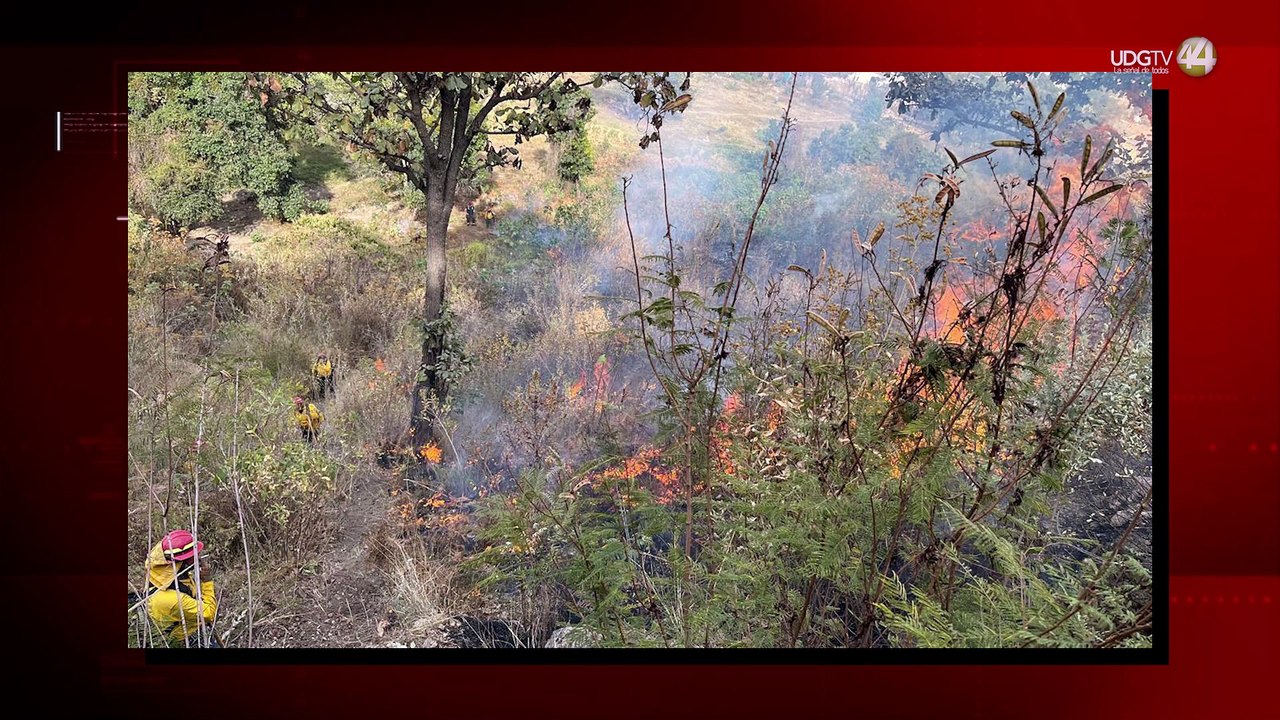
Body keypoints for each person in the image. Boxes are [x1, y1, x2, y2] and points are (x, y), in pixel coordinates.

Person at [144, 529, 220, 648]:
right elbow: (208, 613)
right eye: (194, 556)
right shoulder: (171, 598)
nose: (199, 558)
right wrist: (207, 582)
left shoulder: (164, 573)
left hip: (187, 620)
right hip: (184, 639)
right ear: (182, 562)